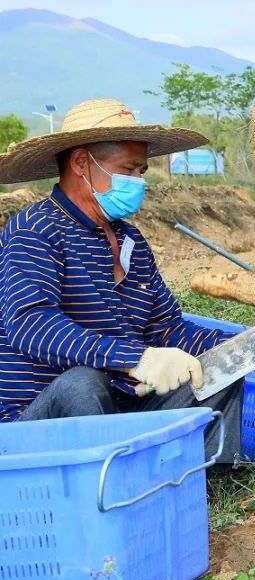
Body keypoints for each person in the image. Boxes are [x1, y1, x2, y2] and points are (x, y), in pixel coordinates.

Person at [0, 99, 242, 462]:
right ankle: (107, 490)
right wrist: (135, 358)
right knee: (82, 383)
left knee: (219, 371)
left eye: (142, 171)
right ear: (82, 163)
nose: (138, 182)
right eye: (129, 169)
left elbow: (166, 330)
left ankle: (201, 482)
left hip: (120, 405)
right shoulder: (35, 232)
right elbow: (30, 324)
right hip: (40, 425)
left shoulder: (131, 242)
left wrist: (241, 346)